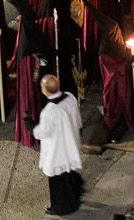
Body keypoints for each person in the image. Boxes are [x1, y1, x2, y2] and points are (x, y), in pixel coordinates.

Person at [33, 73, 85, 215]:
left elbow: (41, 133)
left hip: (57, 151)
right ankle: (75, 195)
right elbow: (77, 117)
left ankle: (61, 207)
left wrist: (31, 126)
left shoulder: (49, 111)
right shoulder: (70, 97)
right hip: (71, 142)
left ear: (44, 91)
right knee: (68, 174)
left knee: (58, 182)